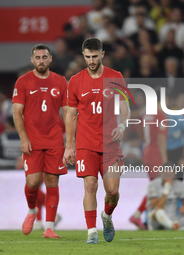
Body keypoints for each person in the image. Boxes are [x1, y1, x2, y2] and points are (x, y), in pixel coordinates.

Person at [63, 38, 130, 244]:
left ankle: (107, 216)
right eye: (87, 57)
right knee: (90, 185)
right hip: (86, 143)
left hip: (110, 143)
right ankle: (91, 231)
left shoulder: (115, 77)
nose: (91, 60)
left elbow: (125, 106)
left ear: (102, 55)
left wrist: (122, 125)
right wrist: (69, 145)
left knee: (112, 191)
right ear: (83, 56)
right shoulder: (75, 80)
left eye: (94, 56)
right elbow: (71, 115)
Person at [12, 44, 68, 239]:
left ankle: (50, 228)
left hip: (54, 140)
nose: (41, 61)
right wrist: (23, 138)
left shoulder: (61, 82)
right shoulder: (23, 81)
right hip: (32, 140)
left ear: (50, 59)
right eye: (37, 57)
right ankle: (32, 211)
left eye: (44, 57)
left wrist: (70, 141)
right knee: (33, 181)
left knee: (53, 182)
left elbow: (69, 112)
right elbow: (17, 113)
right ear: (32, 60)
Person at [129, 89, 168, 230]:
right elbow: (161, 138)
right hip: (156, 154)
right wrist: (165, 160)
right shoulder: (160, 116)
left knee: (155, 187)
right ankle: (138, 214)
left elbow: (140, 134)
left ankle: (146, 218)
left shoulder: (146, 115)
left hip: (147, 151)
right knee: (157, 188)